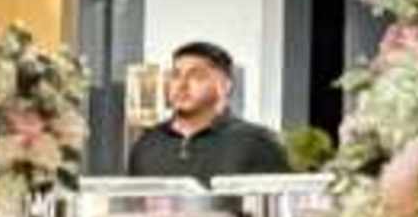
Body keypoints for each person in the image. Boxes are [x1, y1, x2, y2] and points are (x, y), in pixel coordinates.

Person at [124, 39, 297, 183]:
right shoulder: (147, 143)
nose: (182, 85)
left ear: (224, 86)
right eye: (176, 75)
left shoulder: (257, 142)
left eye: (196, 76)